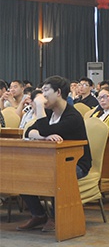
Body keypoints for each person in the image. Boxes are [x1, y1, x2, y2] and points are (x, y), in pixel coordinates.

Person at [17, 75, 92, 232]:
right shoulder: (50, 113)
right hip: (51, 161)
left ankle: (56, 216)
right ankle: (38, 215)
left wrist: (39, 107)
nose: (42, 96)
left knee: (54, 174)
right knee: (21, 175)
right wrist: (44, 137)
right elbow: (30, 131)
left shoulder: (72, 116)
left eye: (46, 91)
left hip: (76, 163)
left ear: (58, 92)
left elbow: (44, 129)